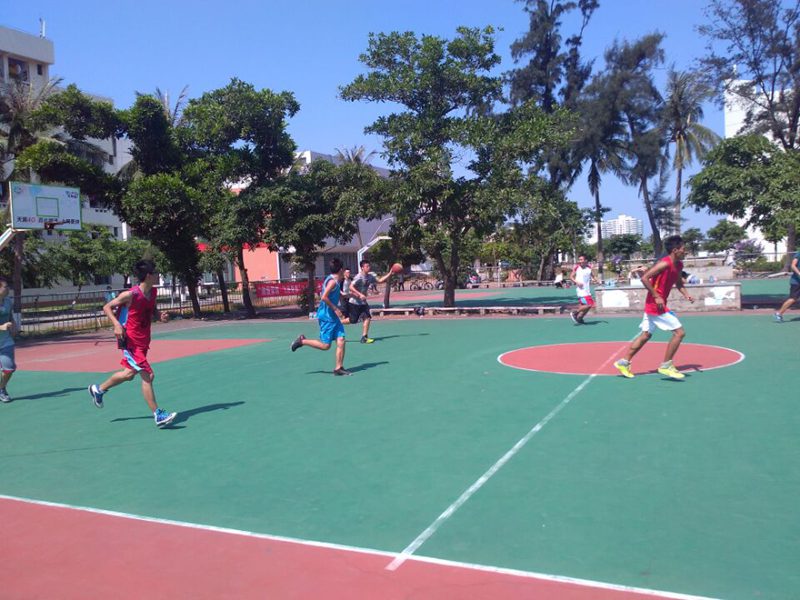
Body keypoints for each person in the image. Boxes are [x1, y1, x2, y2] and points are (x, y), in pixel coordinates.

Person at [87, 260, 176, 427]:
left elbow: (152, 310)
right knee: (148, 375)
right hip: (130, 341)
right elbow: (107, 307)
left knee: (128, 374)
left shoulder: (153, 292)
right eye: (155, 273)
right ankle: (158, 414)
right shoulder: (130, 295)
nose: (158, 275)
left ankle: (98, 390)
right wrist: (116, 324)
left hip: (143, 340)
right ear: (148, 275)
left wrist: (160, 316)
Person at [614, 235, 695, 380]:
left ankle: (623, 362)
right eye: (683, 249)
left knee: (646, 335)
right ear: (675, 250)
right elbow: (644, 278)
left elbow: (678, 283)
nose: (685, 251)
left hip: (657, 303)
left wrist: (686, 295)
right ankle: (666, 366)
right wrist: (656, 296)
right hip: (655, 304)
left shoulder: (679, 265)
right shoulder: (664, 263)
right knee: (679, 333)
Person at [291, 257, 351, 375]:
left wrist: (350, 295)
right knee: (325, 346)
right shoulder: (332, 281)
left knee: (341, 340)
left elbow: (335, 293)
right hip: (327, 317)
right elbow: (324, 297)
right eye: (343, 269)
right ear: (341, 270)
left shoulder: (334, 280)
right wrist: (335, 309)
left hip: (333, 317)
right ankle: (302, 341)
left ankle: (338, 368)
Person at [347, 259, 394, 343]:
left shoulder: (370, 276)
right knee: (352, 320)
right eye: (367, 266)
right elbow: (350, 287)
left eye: (369, 266)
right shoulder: (358, 277)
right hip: (354, 302)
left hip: (363, 302)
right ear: (362, 268)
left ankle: (364, 337)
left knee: (367, 317)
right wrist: (360, 294)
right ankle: (337, 323)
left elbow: (379, 280)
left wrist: (389, 274)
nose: (369, 267)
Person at [0, 277, 17, 403]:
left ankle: (1, 389)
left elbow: (10, 316)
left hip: (5, 341)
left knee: (9, 369)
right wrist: (1, 327)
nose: (8, 289)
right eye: (6, 287)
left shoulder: (8, 302)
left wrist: (14, 326)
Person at [569, 256, 599, 324]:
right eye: (579, 260)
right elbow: (571, 277)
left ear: (585, 260)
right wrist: (577, 282)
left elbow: (593, 276)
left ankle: (580, 318)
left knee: (587, 306)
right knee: (589, 304)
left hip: (587, 290)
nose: (580, 261)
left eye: (581, 259)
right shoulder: (577, 268)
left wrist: (597, 280)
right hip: (581, 290)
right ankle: (575, 313)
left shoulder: (589, 268)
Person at [774, 250, 800, 322]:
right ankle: (779, 313)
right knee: (793, 299)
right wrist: (799, 273)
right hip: (797, 282)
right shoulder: (799, 254)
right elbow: (793, 266)